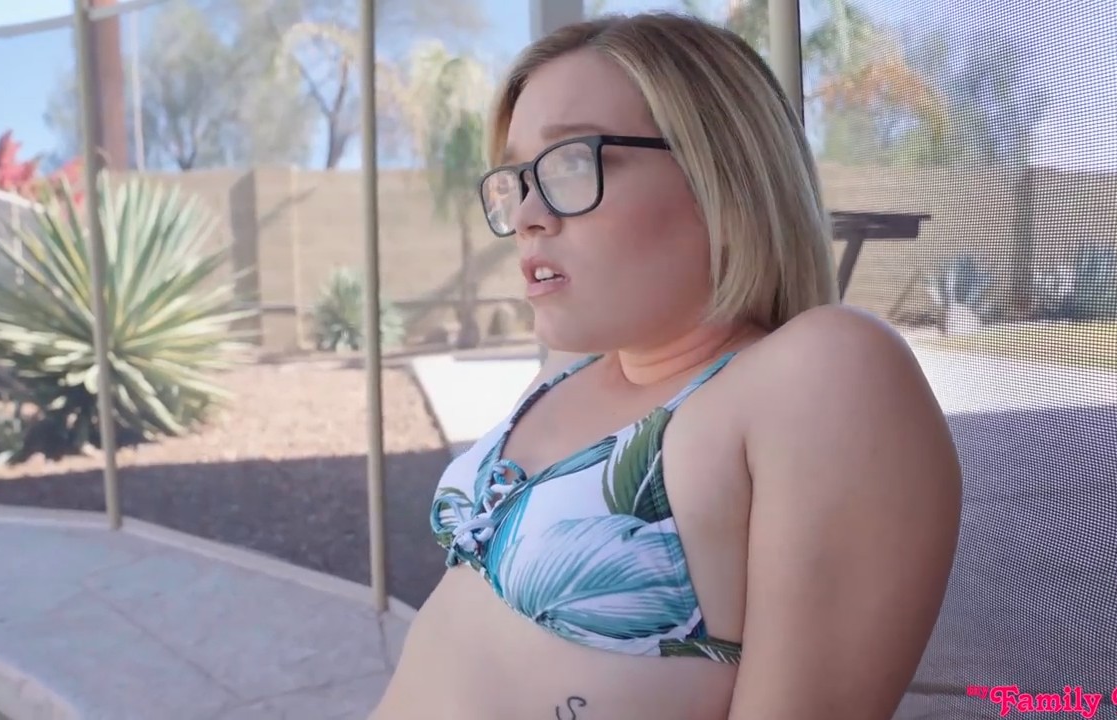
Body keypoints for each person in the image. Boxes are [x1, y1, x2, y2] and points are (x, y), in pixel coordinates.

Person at [371, 11, 962, 720]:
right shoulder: (570, 368)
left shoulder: (818, 374)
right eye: (516, 178)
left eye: (569, 164)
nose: (526, 213)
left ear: (723, 173)